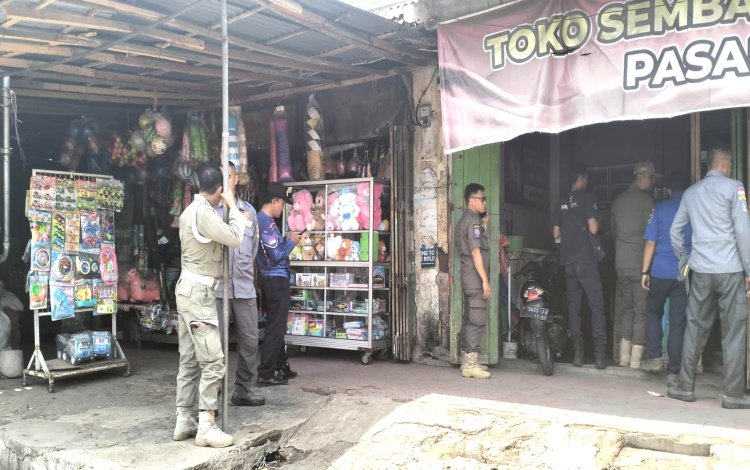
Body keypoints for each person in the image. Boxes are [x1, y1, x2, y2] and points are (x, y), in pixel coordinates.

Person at [669, 148, 750, 409]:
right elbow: (742, 230)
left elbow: (675, 231)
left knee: (694, 328)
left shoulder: (691, 193)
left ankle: (684, 388)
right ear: (725, 164)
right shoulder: (735, 188)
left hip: (701, 270)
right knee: (734, 333)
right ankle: (733, 396)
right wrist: (749, 270)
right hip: (730, 271)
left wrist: (685, 259)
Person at [173, 163, 244, 448]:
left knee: (189, 360)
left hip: (187, 290)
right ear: (217, 191)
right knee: (214, 361)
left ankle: (183, 420)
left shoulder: (188, 211)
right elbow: (235, 237)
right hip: (199, 293)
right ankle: (206, 425)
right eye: (221, 193)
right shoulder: (203, 213)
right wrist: (233, 206)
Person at [215, 162, 265, 407]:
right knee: (215, 344)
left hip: (244, 287)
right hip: (217, 288)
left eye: (230, 176)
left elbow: (253, 247)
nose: (226, 180)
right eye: (221, 176)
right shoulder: (211, 210)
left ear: (236, 179)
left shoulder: (249, 212)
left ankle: (242, 389)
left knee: (250, 340)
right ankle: (213, 392)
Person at [552, 163, 607, 369]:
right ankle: (600, 355)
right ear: (581, 178)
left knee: (573, 308)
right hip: (586, 260)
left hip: (568, 261)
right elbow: (593, 228)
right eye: (586, 178)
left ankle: (577, 354)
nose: (587, 181)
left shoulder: (561, 202)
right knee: (596, 305)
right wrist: (599, 223)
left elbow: (556, 234)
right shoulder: (587, 198)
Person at [640, 172, 692, 388]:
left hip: (660, 271)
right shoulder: (693, 210)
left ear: (669, 190)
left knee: (653, 312)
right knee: (678, 323)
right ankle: (674, 373)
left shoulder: (659, 209)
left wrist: (644, 272)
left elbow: (650, 243)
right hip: (684, 273)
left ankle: (654, 358)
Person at [256, 182, 302, 386]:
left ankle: (280, 366)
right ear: (273, 201)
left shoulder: (268, 222)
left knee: (278, 325)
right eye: (282, 203)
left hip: (274, 279)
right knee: (275, 327)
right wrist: (292, 242)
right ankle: (266, 372)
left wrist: (285, 238)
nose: (282, 208)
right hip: (274, 280)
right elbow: (275, 256)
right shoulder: (264, 222)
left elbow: (272, 250)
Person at [611, 161, 656, 368]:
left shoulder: (618, 202)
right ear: (640, 177)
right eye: (651, 178)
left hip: (621, 262)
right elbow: (652, 236)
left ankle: (623, 358)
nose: (653, 182)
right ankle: (636, 361)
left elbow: (612, 234)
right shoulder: (647, 202)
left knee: (626, 309)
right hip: (640, 264)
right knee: (640, 310)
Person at [456, 183, 492, 379]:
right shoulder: (472, 222)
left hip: (469, 277)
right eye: (482, 199)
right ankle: (470, 365)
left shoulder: (468, 220)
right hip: (475, 279)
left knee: (470, 318)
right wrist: (485, 281)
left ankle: (467, 361)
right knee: (477, 320)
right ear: (472, 200)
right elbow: (476, 251)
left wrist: (484, 223)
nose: (484, 202)